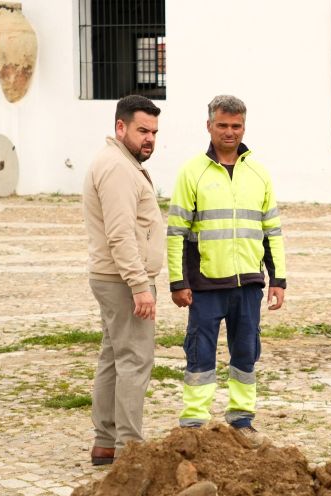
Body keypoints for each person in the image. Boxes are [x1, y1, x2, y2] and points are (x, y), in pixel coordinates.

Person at [167, 94, 286, 432]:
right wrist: (178, 282)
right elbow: (176, 232)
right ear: (209, 126)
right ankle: (194, 422)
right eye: (223, 125)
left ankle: (241, 418)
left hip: (248, 284)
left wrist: (278, 280)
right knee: (200, 355)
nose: (229, 132)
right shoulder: (192, 172)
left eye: (236, 126)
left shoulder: (259, 174)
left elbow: (271, 232)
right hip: (205, 285)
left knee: (246, 354)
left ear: (244, 127)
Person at [83, 95, 164, 466]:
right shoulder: (117, 167)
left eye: (153, 132)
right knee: (134, 359)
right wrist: (139, 285)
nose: (149, 138)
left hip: (113, 277)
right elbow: (120, 234)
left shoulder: (121, 162)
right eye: (142, 130)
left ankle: (105, 442)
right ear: (120, 127)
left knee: (114, 357)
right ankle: (129, 448)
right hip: (121, 279)